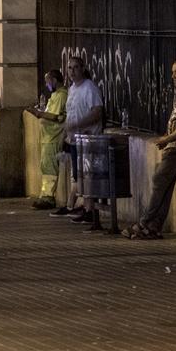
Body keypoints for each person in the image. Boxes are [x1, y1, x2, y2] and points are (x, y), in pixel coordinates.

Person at [124, 60, 176, 240]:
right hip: (172, 144)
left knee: (160, 179)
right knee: (165, 186)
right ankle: (154, 226)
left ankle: (144, 222)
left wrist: (168, 139)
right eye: (173, 72)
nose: (173, 76)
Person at [49, 58, 103, 225]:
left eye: (76, 68)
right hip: (74, 139)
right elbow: (71, 113)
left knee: (87, 175)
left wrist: (79, 124)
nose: (72, 71)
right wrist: (68, 132)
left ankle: (90, 210)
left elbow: (97, 112)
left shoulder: (90, 88)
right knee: (78, 175)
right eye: (70, 68)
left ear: (83, 68)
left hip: (87, 139)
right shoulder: (72, 89)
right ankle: (86, 208)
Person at [28, 69, 68, 210]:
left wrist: (38, 113)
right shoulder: (55, 95)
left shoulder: (61, 95)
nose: (46, 84)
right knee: (46, 166)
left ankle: (48, 197)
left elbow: (54, 116)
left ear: (55, 80)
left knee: (50, 167)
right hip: (48, 136)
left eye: (48, 81)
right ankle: (45, 194)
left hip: (53, 136)